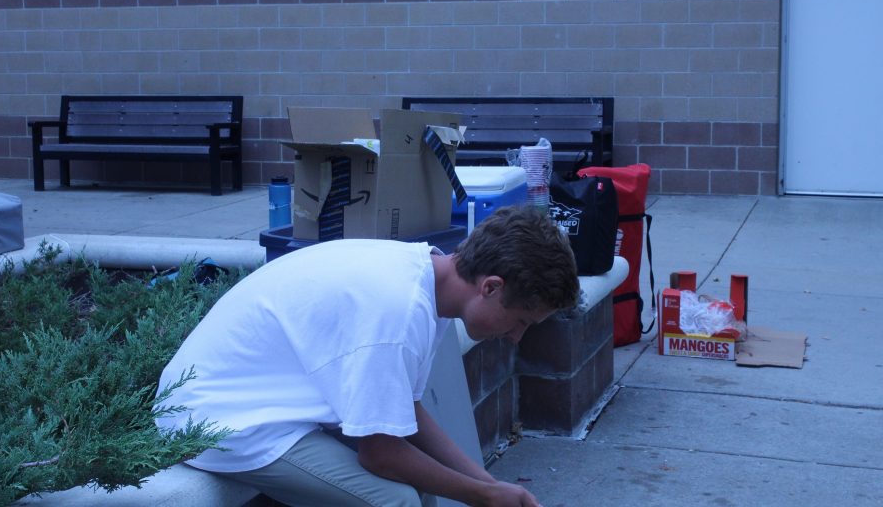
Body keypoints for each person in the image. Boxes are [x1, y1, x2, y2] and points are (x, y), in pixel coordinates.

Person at [156, 205, 579, 507]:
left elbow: (403, 414)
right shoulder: (397, 312)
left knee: (430, 483)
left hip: (261, 407)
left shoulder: (429, 282)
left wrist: (484, 483)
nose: (516, 338)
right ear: (491, 287)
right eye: (521, 320)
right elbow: (379, 453)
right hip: (216, 421)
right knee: (394, 500)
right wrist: (485, 495)